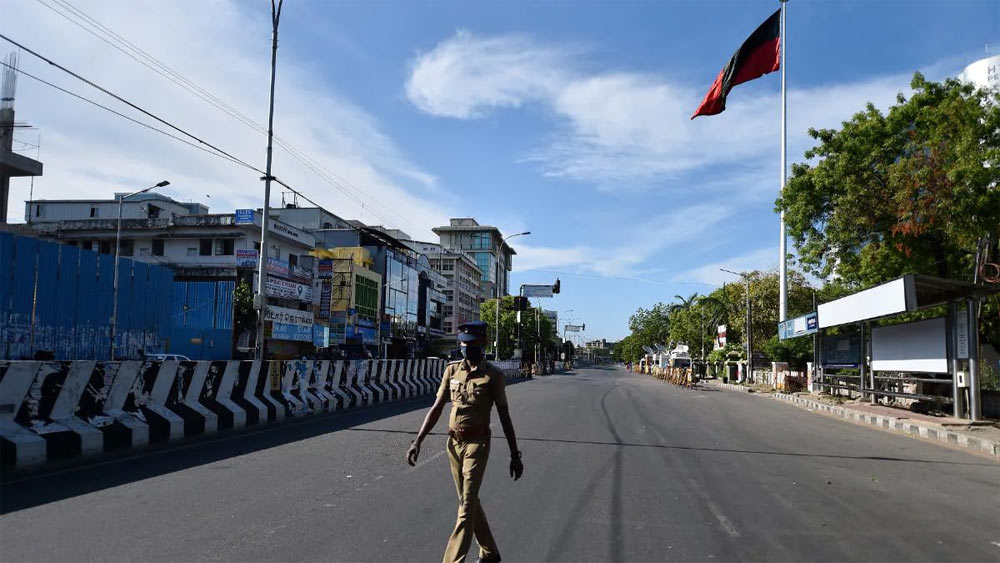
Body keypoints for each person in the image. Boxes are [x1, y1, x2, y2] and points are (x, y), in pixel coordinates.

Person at [407, 321, 524, 563]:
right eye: (462, 343)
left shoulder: (494, 375)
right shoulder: (451, 370)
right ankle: (490, 553)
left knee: (466, 506)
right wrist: (418, 440)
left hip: (476, 444)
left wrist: (515, 455)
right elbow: (437, 407)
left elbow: (504, 416)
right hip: (453, 445)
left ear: (482, 342)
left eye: (469, 343)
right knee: (467, 502)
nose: (464, 347)